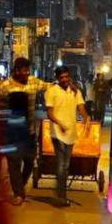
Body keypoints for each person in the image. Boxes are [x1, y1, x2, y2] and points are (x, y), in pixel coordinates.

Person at [0, 57, 42, 205]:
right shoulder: (5, 86)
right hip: (11, 132)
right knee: (13, 163)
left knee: (29, 161)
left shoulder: (34, 82)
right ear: (16, 71)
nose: (26, 73)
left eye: (28, 71)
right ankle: (18, 193)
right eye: (24, 71)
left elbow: (50, 86)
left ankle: (19, 187)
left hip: (29, 131)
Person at [44, 64, 87, 204]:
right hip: (57, 133)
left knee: (65, 166)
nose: (64, 79)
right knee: (62, 165)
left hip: (70, 133)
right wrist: (60, 124)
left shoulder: (75, 91)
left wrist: (86, 117)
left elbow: (81, 107)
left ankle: (60, 193)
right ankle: (61, 196)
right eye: (62, 77)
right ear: (57, 78)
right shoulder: (51, 91)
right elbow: (49, 113)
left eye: (67, 77)